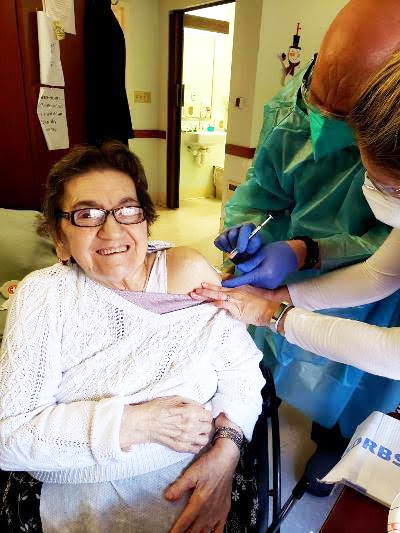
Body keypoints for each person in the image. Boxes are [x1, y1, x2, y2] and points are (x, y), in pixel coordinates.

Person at [0, 141, 265, 532]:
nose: (112, 230)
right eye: (87, 214)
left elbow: (242, 374)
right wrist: (141, 422)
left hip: (207, 467)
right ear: (60, 240)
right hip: (75, 490)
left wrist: (226, 454)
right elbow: (9, 437)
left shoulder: (188, 272)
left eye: (127, 210)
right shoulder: (43, 295)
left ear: (145, 222)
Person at [208, 0, 400, 497]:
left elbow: (391, 350)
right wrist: (286, 272)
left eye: (390, 189)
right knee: (269, 364)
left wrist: (275, 313)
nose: (322, 126)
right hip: (314, 274)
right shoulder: (290, 110)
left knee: (353, 381)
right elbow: (380, 273)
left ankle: (340, 437)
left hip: (376, 330)